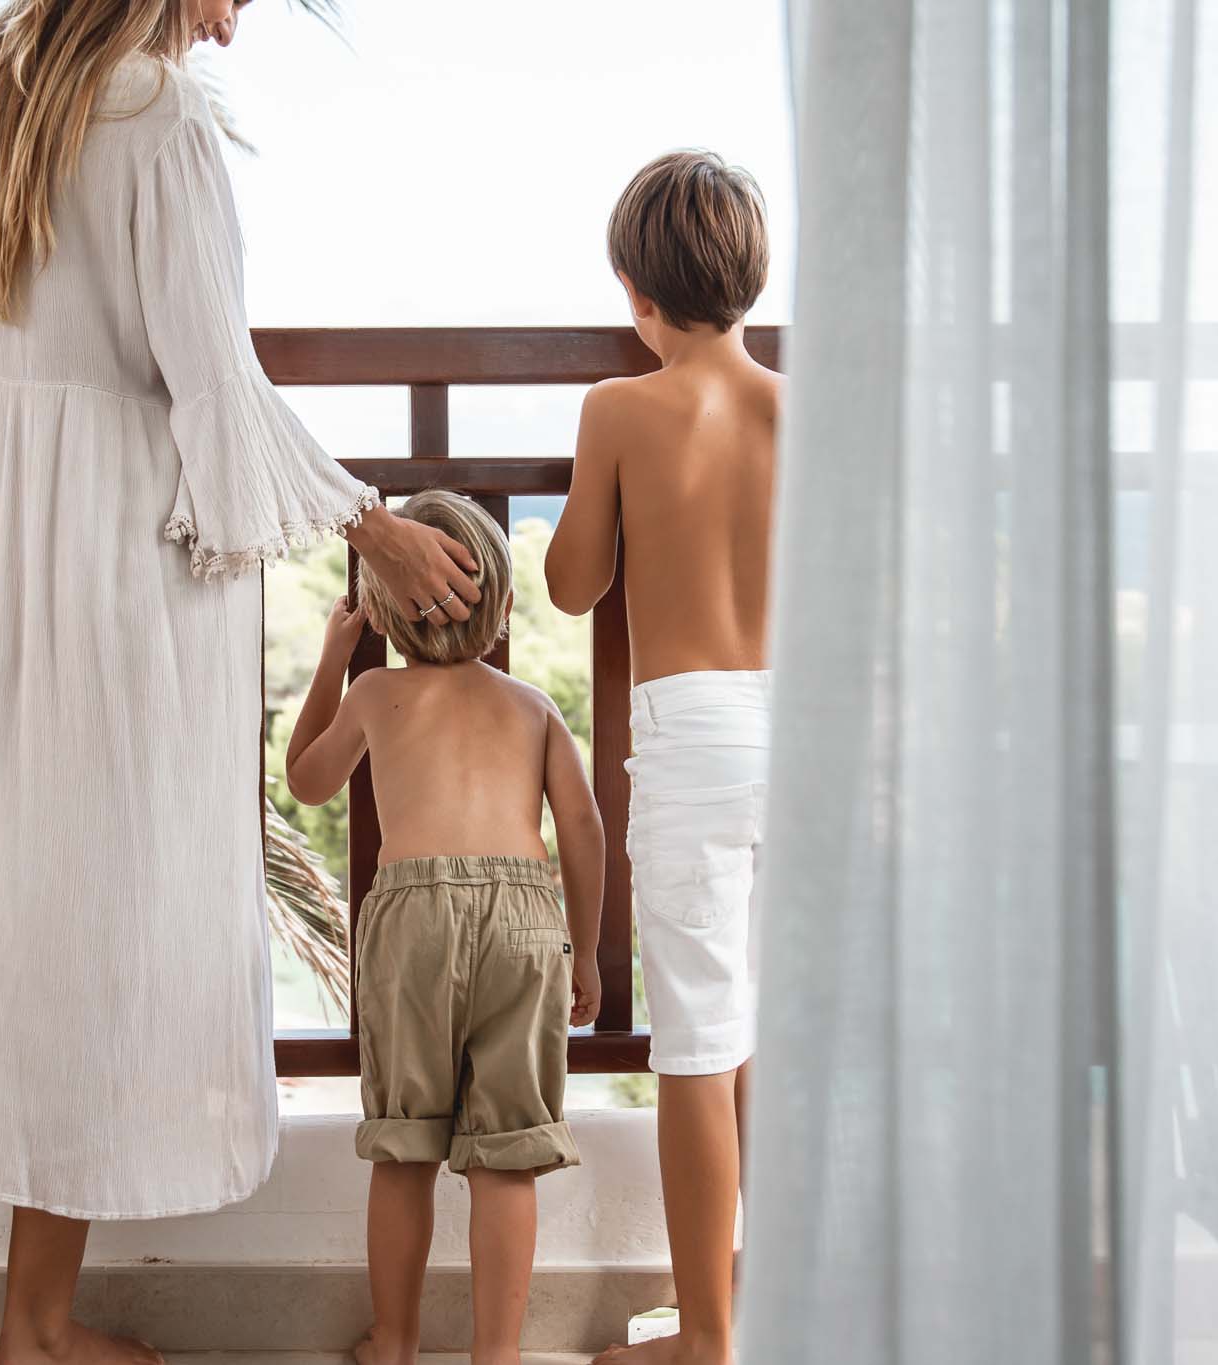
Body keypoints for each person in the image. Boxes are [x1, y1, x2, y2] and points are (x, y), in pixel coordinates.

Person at [0, 3, 482, 1362]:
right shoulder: (156, 117)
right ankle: (36, 1320)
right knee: (95, 922)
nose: (229, 29)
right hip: (115, 576)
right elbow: (212, 379)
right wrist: (371, 525)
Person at [544, 150, 779, 1365]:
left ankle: (705, 1336)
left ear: (635, 291)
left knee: (696, 1044)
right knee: (768, 1034)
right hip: (801, 735)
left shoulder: (618, 408)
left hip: (693, 742)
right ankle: (780, 1305)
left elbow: (571, 582)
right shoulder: (799, 407)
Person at [284, 490, 605, 1365]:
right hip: (524, 921)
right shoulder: (533, 706)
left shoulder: (375, 692)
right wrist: (586, 950)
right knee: (508, 1154)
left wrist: (335, 656)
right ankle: (496, 1354)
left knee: (404, 1146)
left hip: (412, 920)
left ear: (382, 610)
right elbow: (582, 827)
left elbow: (306, 779)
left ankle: (394, 1340)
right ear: (504, 605)